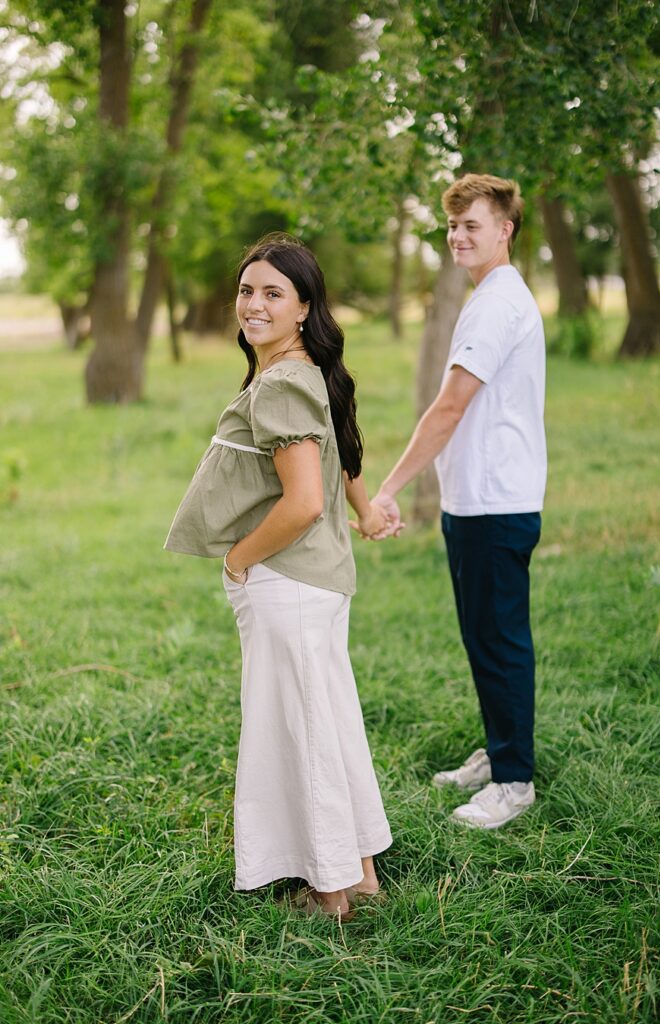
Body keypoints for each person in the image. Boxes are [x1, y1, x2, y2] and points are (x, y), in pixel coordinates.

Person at [164, 234, 392, 917]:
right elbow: (338, 460)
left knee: (299, 733)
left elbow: (301, 502)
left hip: (287, 582)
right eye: (245, 290)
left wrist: (238, 559)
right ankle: (360, 875)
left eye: (272, 293)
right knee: (326, 724)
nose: (252, 304)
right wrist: (368, 508)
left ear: (303, 308)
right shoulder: (304, 372)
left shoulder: (283, 384)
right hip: (316, 583)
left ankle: (329, 894)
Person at [368, 173, 547, 829]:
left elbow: (448, 407)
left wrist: (388, 489)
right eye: (451, 226)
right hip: (475, 499)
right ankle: (500, 750)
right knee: (482, 637)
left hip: (495, 502)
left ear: (504, 229)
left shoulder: (498, 304)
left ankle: (513, 783)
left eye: (471, 224)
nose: (457, 236)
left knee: (498, 640)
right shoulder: (488, 296)